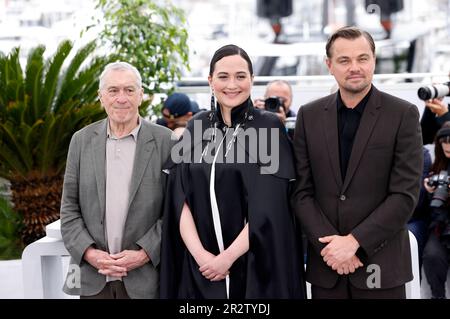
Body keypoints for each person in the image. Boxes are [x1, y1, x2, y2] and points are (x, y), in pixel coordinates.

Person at [160, 44, 305, 299]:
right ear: (210, 80)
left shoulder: (267, 126)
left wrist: (226, 259)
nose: (232, 85)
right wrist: (201, 256)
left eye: (240, 76)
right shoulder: (197, 125)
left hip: (254, 267)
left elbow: (269, 207)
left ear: (252, 79)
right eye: (223, 76)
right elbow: (178, 196)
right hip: (200, 269)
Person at [291, 26, 423, 299]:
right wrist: (332, 249)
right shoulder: (309, 116)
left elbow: (404, 195)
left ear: (373, 60)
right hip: (326, 269)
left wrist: (354, 243)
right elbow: (302, 192)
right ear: (329, 65)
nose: (355, 67)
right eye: (344, 60)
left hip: (381, 267)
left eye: (362, 58)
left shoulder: (403, 114)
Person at [60, 61, 175, 299]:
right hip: (94, 279)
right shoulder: (80, 142)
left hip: (147, 280)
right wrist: (90, 253)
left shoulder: (167, 141)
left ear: (141, 95)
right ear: (101, 97)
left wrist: (144, 253)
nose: (121, 98)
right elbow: (69, 209)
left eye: (129, 90)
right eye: (113, 91)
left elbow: (176, 212)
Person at [422, 122, 450, 299]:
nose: (448, 144)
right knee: (431, 256)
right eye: (444, 141)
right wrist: (428, 192)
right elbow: (431, 208)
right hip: (441, 226)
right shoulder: (438, 166)